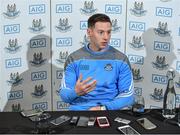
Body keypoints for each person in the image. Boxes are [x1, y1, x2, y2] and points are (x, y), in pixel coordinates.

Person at [60, 13, 134, 110]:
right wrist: (76, 92)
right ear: (89, 32)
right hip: (80, 111)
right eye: (101, 32)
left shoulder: (121, 59)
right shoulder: (74, 58)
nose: (106, 37)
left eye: (109, 32)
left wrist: (103, 108)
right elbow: (64, 96)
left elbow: (128, 96)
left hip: (108, 111)